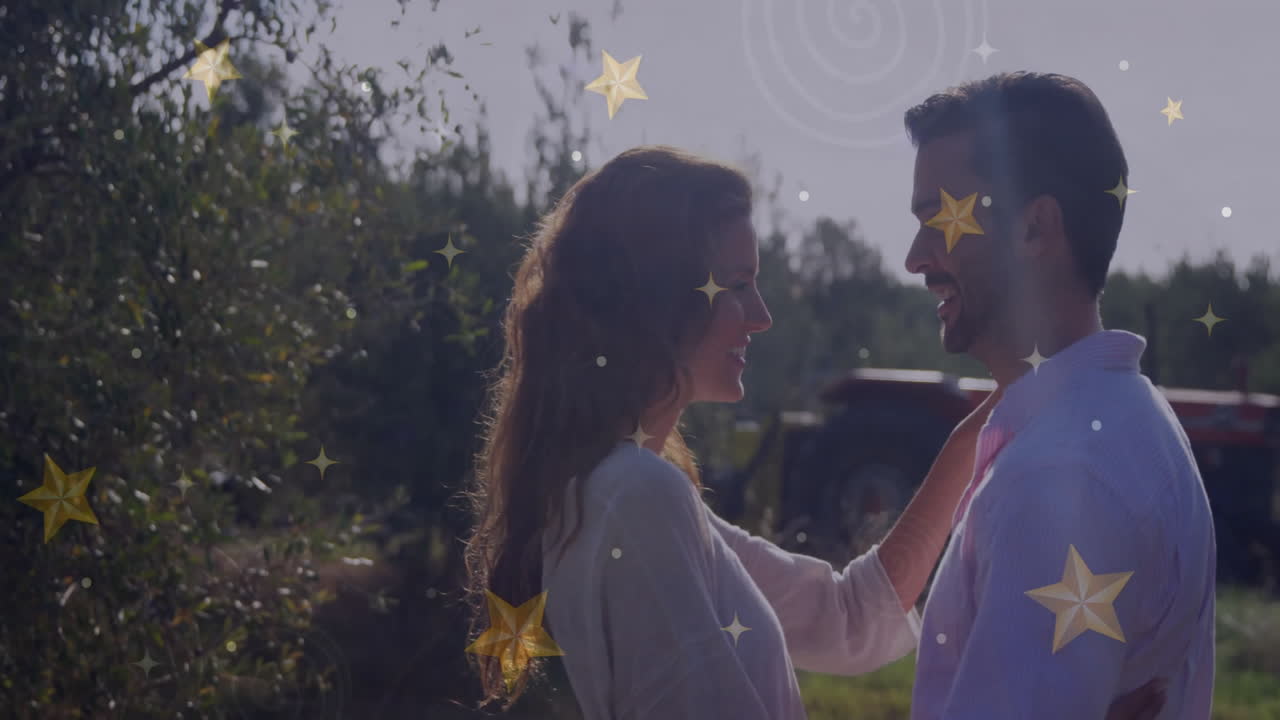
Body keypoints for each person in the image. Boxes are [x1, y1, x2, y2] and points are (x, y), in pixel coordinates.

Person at [462, 145, 1166, 719]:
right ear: (657, 297)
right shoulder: (637, 498)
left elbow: (846, 616)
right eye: (737, 284)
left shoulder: (623, 491)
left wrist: (986, 423)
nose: (761, 315)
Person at [897, 72, 1216, 718]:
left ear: (1035, 228)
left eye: (940, 220)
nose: (915, 257)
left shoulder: (1057, 477)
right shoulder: (1133, 419)